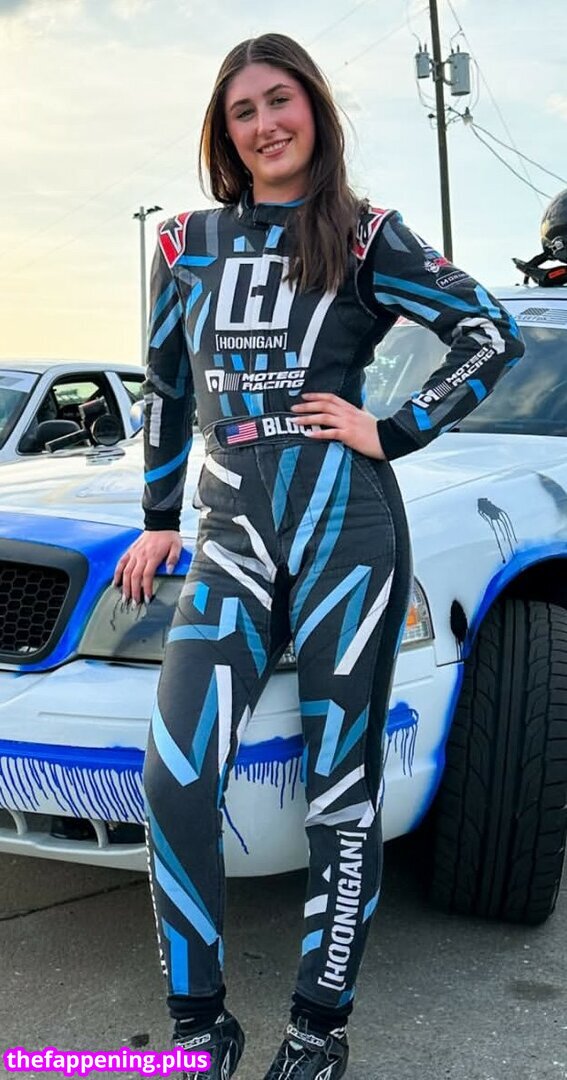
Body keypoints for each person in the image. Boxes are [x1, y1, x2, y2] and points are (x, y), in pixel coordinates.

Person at [114, 32, 524, 1080]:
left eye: (280, 100)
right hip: (231, 538)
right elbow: (165, 387)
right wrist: (159, 513)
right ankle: (199, 1028)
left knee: (341, 789)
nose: (265, 124)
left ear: (314, 109)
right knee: (174, 776)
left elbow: (487, 331)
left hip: (349, 531)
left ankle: (316, 1029)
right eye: (243, 109)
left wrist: (396, 427)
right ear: (223, 131)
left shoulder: (365, 232)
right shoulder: (184, 244)